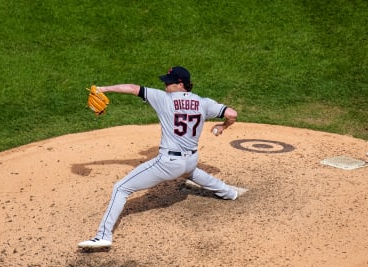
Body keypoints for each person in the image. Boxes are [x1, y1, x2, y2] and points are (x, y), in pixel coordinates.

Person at [78, 66, 246, 250]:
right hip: (191, 160)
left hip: (169, 163)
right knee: (190, 172)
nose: (165, 85)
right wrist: (222, 127)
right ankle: (228, 192)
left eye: (169, 82)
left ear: (180, 84)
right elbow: (232, 114)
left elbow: (134, 88)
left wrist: (104, 89)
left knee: (121, 188)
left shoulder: (163, 99)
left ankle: (103, 236)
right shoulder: (203, 102)